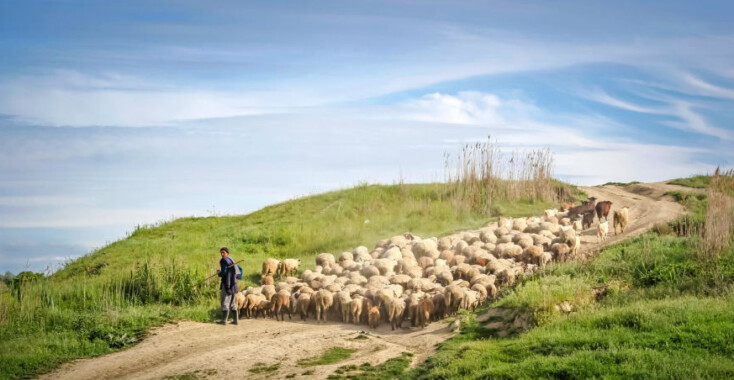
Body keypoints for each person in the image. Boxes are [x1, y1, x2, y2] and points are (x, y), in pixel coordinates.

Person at [217, 247, 239, 324]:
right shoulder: (232, 260)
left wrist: (219, 273)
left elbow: (224, 272)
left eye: (223, 252)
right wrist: (236, 278)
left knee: (225, 301)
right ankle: (236, 320)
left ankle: (224, 320)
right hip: (234, 284)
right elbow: (240, 270)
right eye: (221, 253)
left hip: (227, 284)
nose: (222, 254)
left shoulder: (224, 260)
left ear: (227, 253)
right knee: (233, 302)